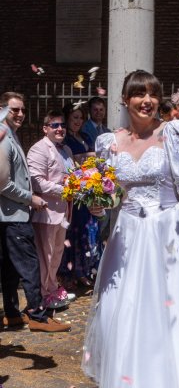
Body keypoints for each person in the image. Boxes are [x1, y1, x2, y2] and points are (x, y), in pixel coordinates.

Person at [82, 69, 179, 388]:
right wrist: (98, 204)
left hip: (167, 233)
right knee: (128, 310)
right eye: (139, 94)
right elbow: (110, 196)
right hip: (128, 233)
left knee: (175, 311)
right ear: (125, 100)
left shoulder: (173, 132)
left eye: (152, 94)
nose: (146, 101)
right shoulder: (108, 143)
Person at [0, 92, 71, 332]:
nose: (20, 114)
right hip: (13, 213)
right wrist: (31, 198)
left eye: (22, 109)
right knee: (30, 265)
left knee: (10, 267)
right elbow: (3, 183)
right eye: (14, 110)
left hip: (12, 214)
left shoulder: (11, 135)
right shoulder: (4, 138)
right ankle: (38, 315)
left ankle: (11, 313)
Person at [27, 110, 76, 309]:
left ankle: (53, 288)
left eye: (62, 125)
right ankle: (43, 295)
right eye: (54, 125)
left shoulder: (66, 150)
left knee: (56, 254)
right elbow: (36, 182)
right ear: (45, 128)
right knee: (45, 255)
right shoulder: (39, 149)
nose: (60, 128)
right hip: (45, 212)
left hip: (63, 211)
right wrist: (65, 190)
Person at [59, 103, 101, 288]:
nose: (78, 121)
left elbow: (93, 159)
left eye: (81, 118)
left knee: (89, 231)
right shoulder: (65, 139)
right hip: (75, 192)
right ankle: (70, 273)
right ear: (67, 118)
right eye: (74, 117)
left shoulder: (85, 136)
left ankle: (84, 271)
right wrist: (86, 159)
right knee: (75, 231)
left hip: (89, 190)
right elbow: (73, 162)